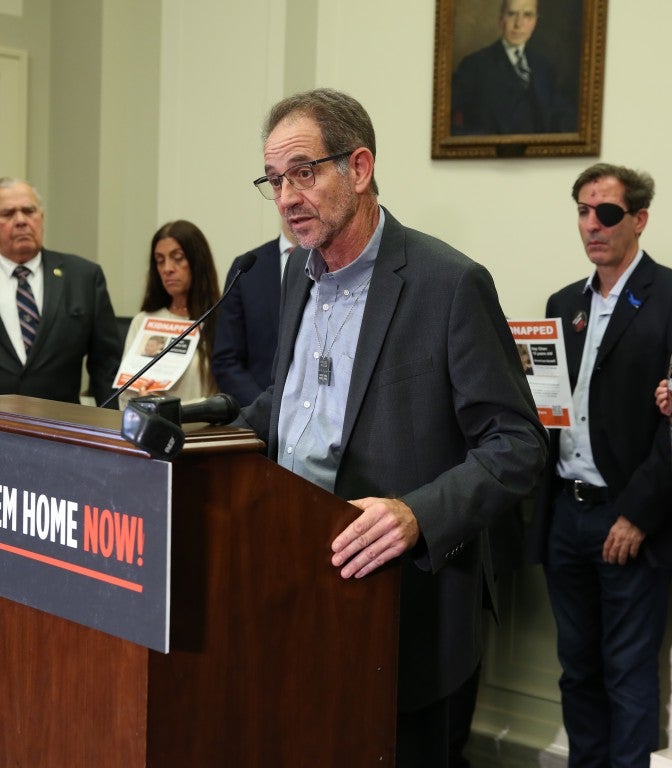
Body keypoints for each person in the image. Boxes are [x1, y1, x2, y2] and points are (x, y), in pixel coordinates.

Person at [237, 87, 547, 766]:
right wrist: (203, 442)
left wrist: (416, 515)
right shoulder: (296, 276)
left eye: (304, 171)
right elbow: (289, 406)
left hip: (408, 604)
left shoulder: (448, 283)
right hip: (298, 587)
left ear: (359, 167)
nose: (287, 196)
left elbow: (517, 445)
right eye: (275, 179)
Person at [527, 163, 672, 767]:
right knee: (577, 670)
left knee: (628, 675)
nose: (592, 225)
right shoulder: (564, 303)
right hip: (567, 511)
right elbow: (550, 408)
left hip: (630, 517)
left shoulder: (668, 297)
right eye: (583, 211)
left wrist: (637, 514)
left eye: (606, 213)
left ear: (638, 218)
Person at [0, 177, 122, 407]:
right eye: (8, 214)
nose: (21, 220)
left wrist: (113, 432)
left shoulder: (83, 277)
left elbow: (106, 366)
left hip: (58, 428)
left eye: (28, 211)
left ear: (41, 217)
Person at [119, 220, 220, 407]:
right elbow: (124, 396)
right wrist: (145, 400)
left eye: (178, 257)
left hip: (203, 431)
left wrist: (168, 406)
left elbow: (224, 398)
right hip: (148, 428)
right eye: (160, 260)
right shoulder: (143, 321)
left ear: (197, 261)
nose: (167, 268)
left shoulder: (219, 320)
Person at [451, 0, 577, 135]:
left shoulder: (544, 67)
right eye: (512, 14)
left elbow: (562, 115)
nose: (518, 24)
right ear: (501, 20)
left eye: (527, 15)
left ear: (535, 21)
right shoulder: (475, 65)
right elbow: (443, 122)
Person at [212, 220, 296, 407]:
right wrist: (265, 409)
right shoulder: (247, 268)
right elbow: (226, 360)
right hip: (259, 417)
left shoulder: (336, 265)